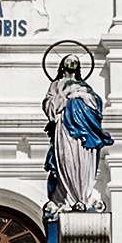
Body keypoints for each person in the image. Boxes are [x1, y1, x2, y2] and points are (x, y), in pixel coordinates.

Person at [43, 54, 110, 220]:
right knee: (67, 158)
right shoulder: (56, 85)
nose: (72, 63)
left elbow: (96, 104)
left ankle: (82, 197)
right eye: (68, 61)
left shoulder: (85, 86)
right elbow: (49, 105)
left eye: (75, 61)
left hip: (84, 130)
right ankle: (69, 197)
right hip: (65, 129)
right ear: (63, 65)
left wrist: (81, 96)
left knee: (82, 160)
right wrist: (65, 95)